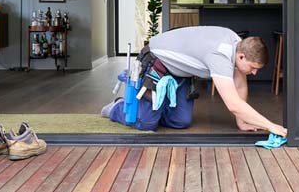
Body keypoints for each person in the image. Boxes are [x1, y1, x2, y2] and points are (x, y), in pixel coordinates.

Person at [102, 26, 287, 137]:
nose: (254, 73)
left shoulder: (238, 42)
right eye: (253, 67)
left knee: (181, 121)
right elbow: (233, 104)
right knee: (146, 124)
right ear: (241, 56)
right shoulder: (220, 55)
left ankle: (158, 107)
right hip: (156, 62)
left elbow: (239, 85)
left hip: (180, 72)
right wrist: (270, 126)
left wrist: (242, 122)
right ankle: (117, 107)